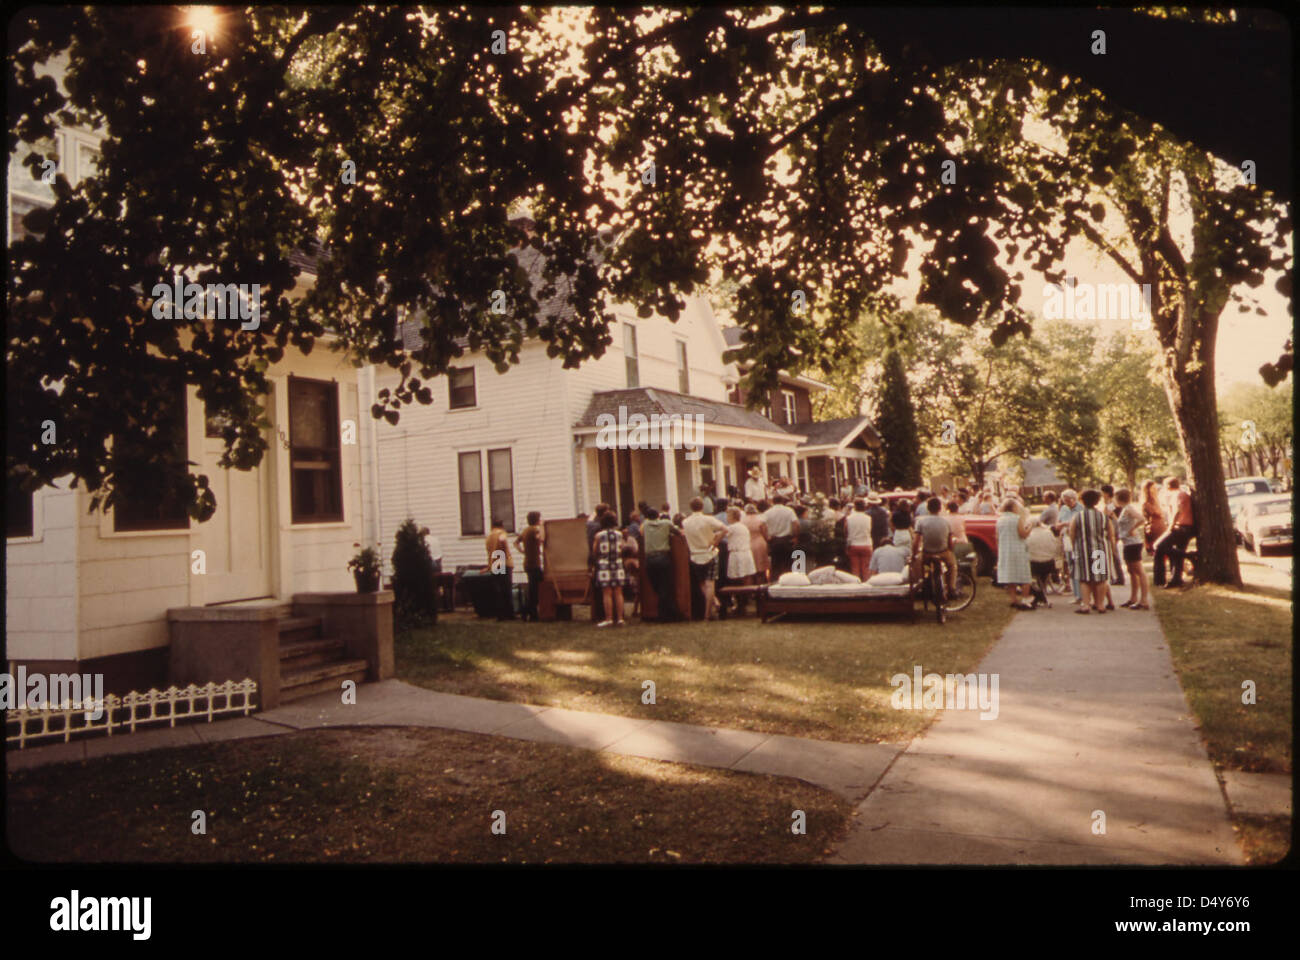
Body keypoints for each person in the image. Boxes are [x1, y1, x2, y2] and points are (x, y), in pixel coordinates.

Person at [683, 497, 728, 620]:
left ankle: (714, 603)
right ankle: (708, 613)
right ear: (702, 506)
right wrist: (716, 541)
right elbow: (725, 529)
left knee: (702, 583)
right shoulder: (708, 519)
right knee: (710, 584)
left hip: (695, 555)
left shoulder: (685, 522)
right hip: (709, 553)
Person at [1069, 489, 1113, 613]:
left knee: (1085, 579)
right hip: (1099, 549)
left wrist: (1074, 547)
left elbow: (1072, 533)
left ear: (1082, 501)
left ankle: (1086, 605)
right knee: (1100, 579)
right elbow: (1110, 534)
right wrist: (1112, 549)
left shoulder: (1078, 516)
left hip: (1083, 550)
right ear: (1097, 501)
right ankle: (1100, 605)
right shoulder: (1103, 516)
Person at [1152, 477, 1195, 588]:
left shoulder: (1177, 494)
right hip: (1188, 527)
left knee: (1158, 546)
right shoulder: (1183, 494)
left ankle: (1188, 555)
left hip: (1180, 527)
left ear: (1167, 486)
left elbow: (1177, 510)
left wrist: (1170, 526)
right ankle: (1176, 579)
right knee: (1177, 554)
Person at [641, 508, 680, 622]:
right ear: (658, 515)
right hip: (663, 557)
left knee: (656, 587)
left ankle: (664, 613)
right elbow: (677, 532)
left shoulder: (645, 525)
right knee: (666, 587)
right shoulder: (666, 523)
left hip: (649, 559)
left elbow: (641, 532)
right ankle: (667, 614)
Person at [912, 496, 957, 595]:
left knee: (916, 565)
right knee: (952, 566)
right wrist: (950, 551)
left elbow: (916, 542)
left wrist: (913, 555)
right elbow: (950, 542)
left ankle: (920, 586)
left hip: (927, 553)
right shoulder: (946, 522)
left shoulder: (920, 521)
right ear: (940, 508)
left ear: (928, 508)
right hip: (943, 552)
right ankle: (951, 588)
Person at [996, 497, 1035, 610]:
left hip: (1005, 550)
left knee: (1010, 577)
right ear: (1014, 508)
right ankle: (1024, 599)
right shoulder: (1017, 518)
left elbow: (997, 537)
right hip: (1017, 549)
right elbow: (1022, 534)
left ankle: (1013, 600)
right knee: (1025, 576)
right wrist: (1030, 527)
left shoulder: (1000, 520)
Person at [1115, 488, 1150, 610]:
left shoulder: (1129, 508)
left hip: (1133, 543)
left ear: (1119, 498)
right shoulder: (1124, 509)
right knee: (1131, 571)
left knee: (1139, 571)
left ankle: (1144, 600)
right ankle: (1133, 598)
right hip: (1127, 543)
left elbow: (1141, 518)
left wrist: (1132, 529)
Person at [592, 511, 627, 627]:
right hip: (617, 564)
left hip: (604, 565)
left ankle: (609, 619)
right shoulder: (619, 535)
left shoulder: (598, 536)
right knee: (618, 592)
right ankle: (620, 618)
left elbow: (595, 551)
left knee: (607, 593)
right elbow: (622, 548)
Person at [1054, 488, 1083, 605]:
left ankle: (1084, 595)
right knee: (1071, 568)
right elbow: (1057, 525)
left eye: (1068, 501)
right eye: (1064, 501)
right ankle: (1077, 595)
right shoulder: (1064, 509)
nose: (1066, 503)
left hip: (1078, 541)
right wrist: (1064, 524)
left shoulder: (1081, 509)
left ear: (1074, 499)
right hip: (1067, 540)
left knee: (1080, 567)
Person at [514, 511, 544, 622]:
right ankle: (529, 612)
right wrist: (542, 527)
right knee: (535, 590)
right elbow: (541, 539)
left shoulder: (526, 530)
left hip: (528, 563)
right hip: (534, 564)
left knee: (533, 589)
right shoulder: (534, 530)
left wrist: (522, 551)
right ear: (536, 519)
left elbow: (516, 542)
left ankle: (529, 612)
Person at [485, 517, 516, 620]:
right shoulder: (501, 533)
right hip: (503, 560)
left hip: (495, 561)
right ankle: (509, 614)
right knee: (506, 588)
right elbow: (502, 541)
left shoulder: (489, 536)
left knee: (498, 590)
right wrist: (506, 553)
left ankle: (500, 614)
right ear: (501, 526)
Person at [1025, 519, 1060, 607]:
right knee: (1042, 578)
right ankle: (1041, 595)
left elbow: (1025, 550)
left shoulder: (1029, 535)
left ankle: (1039, 595)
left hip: (1034, 565)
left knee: (1030, 576)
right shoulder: (1048, 533)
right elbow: (1055, 548)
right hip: (1049, 565)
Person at [764, 494, 799, 576]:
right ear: (783, 501)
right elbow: (796, 524)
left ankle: (775, 581)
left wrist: (766, 537)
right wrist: (796, 537)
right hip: (787, 540)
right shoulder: (789, 511)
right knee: (788, 563)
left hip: (774, 540)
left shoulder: (768, 512)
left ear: (772, 501)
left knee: (775, 564)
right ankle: (788, 582)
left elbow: (761, 525)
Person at [845, 499, 874, 581]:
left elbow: (846, 532)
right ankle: (867, 585)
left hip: (853, 544)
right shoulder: (868, 518)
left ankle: (856, 585)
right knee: (866, 569)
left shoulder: (849, 518)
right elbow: (870, 530)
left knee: (855, 569)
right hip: (866, 544)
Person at [741, 502, 771, 583]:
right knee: (761, 569)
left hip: (747, 544)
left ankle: (751, 590)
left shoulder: (742, 521)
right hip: (760, 543)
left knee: (750, 570)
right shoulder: (760, 520)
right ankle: (761, 586)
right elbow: (765, 533)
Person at [1141, 479, 1167, 556]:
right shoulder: (1146, 503)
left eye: (1156, 488)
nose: (1155, 490)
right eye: (1153, 488)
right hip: (1155, 528)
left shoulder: (1156, 500)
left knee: (1164, 550)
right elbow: (1158, 513)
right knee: (1159, 550)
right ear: (1147, 490)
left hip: (1161, 526)